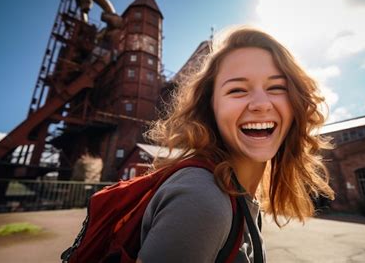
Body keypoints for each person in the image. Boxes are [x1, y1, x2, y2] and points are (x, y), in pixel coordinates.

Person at [138, 26, 335, 262]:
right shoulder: (201, 198)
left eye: (276, 87)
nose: (261, 104)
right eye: (237, 90)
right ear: (210, 108)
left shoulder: (239, 196)